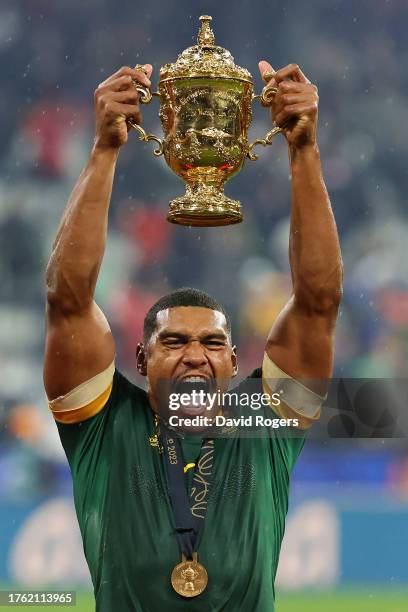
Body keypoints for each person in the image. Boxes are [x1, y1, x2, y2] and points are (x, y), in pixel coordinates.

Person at [44, 61, 343, 611]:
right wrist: (104, 150)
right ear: (139, 356)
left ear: (234, 361)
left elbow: (319, 303)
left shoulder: (265, 423)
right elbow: (68, 302)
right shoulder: (105, 427)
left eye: (210, 344)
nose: (194, 357)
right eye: (174, 342)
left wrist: (304, 151)